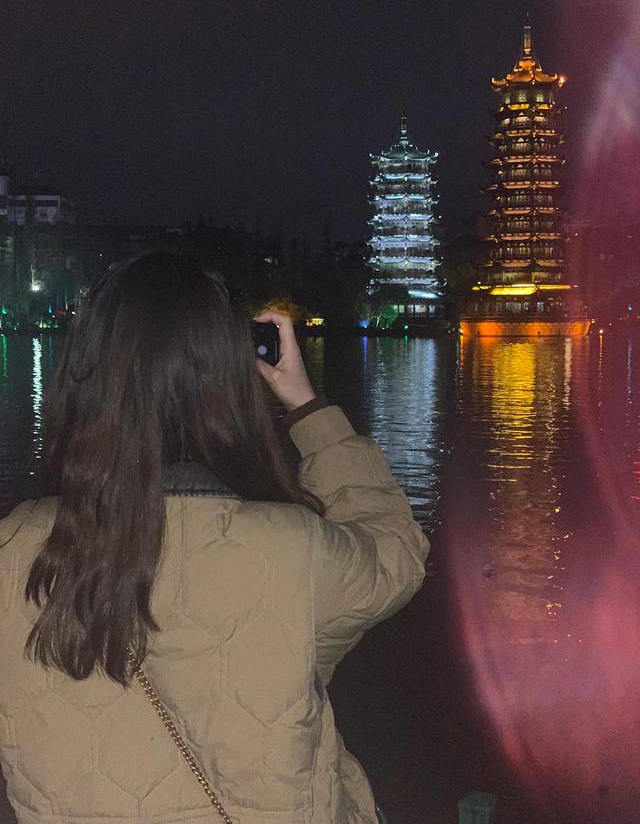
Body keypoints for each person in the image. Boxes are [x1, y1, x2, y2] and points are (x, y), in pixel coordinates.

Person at [0, 252, 429, 824]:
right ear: (229, 381)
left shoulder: (15, 549)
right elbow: (397, 552)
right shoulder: (292, 549)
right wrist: (307, 406)